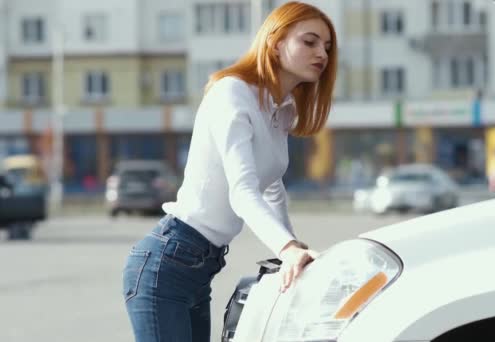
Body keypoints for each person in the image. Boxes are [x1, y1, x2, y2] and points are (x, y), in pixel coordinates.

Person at [121, 2, 337, 341]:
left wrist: (293, 249)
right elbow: (243, 190)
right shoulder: (232, 92)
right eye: (309, 42)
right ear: (276, 42)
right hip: (166, 262)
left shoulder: (281, 109)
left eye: (326, 46)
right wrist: (287, 247)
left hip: (198, 268)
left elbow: (273, 189)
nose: (321, 53)